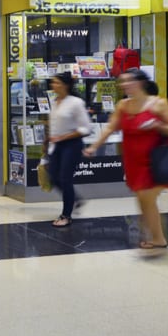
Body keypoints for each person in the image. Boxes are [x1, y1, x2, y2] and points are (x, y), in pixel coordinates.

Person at [84, 68, 168, 250]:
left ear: (141, 83)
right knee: (143, 198)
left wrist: (157, 125)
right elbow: (110, 128)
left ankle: (158, 238)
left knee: (146, 196)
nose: (124, 85)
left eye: (129, 81)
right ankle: (150, 233)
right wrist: (94, 147)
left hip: (154, 160)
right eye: (122, 81)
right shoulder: (123, 106)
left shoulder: (158, 104)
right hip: (132, 161)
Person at [46, 72, 93, 227]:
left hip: (72, 145)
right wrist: (48, 140)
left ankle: (66, 215)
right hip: (56, 145)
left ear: (65, 85)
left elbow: (86, 128)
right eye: (53, 82)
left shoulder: (76, 103)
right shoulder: (54, 101)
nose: (53, 85)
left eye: (57, 82)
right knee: (53, 177)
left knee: (65, 179)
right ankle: (76, 200)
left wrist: (64, 137)